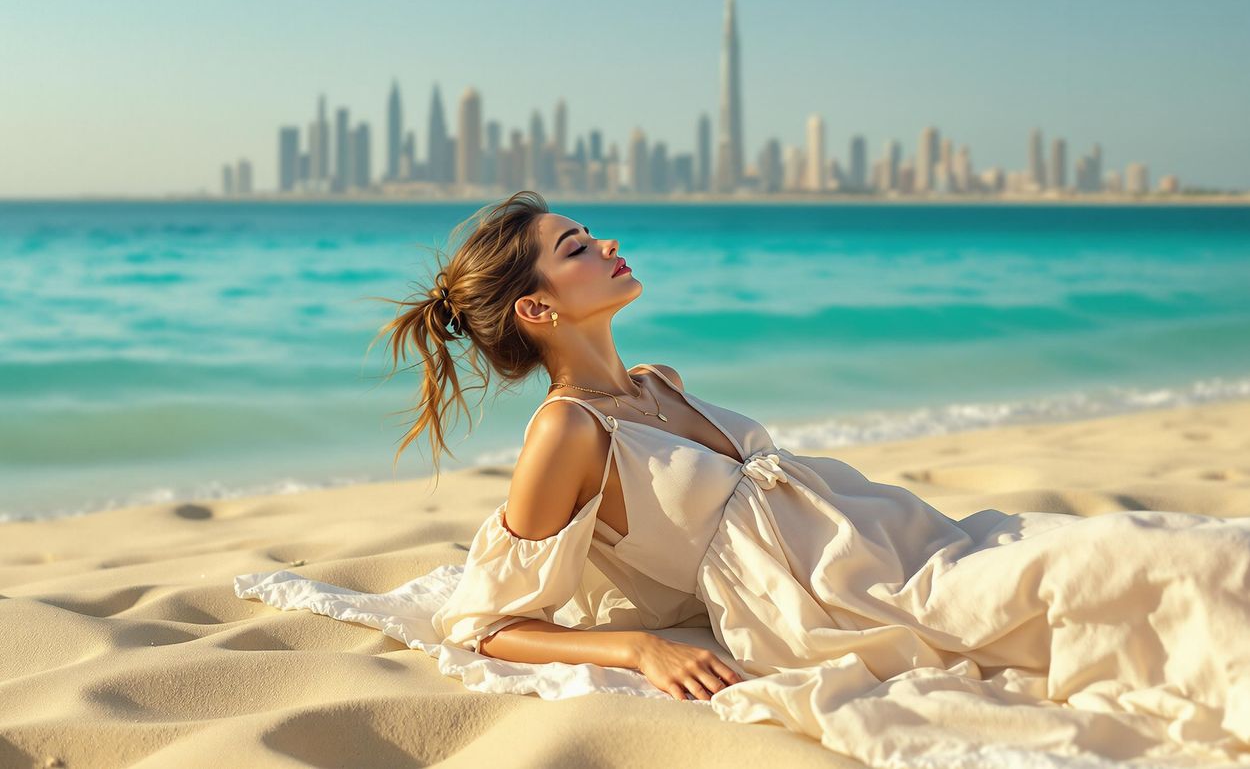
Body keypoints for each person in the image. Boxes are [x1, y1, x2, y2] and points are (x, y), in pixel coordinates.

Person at [237, 190, 1250, 767]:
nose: (608, 244)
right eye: (578, 248)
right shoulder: (567, 434)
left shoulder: (657, 381)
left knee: (1169, 545)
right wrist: (637, 645)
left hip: (916, 539)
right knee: (1162, 560)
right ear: (538, 310)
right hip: (848, 604)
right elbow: (482, 620)